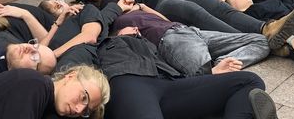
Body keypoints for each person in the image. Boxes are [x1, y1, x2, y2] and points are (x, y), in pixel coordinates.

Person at [76, 0, 294, 50]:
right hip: (164, 4)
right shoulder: (108, 1)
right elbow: (125, 10)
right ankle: (261, 41)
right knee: (206, 18)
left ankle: (267, 28)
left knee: (223, 10)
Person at [97, 32, 279, 119]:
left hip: (167, 84)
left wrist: (210, 73)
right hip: (129, 79)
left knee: (249, 81)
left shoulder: (149, 43)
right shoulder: (107, 45)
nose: (135, 29)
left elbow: (179, 69)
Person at [112, 2, 269, 76]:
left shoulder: (140, 11)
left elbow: (164, 20)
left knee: (261, 41)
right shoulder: (119, 22)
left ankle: (222, 61)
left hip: (190, 32)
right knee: (203, 75)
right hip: (171, 39)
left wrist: (142, 7)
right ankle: (212, 70)